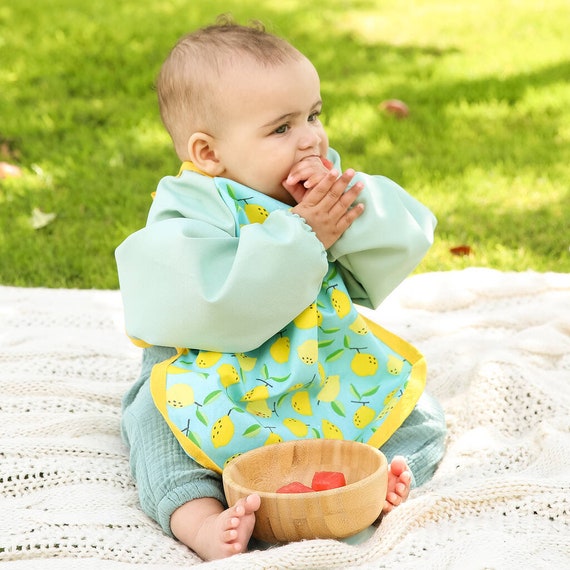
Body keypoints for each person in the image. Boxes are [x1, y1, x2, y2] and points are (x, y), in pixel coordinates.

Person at [115, 16, 446, 561]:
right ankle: (201, 521)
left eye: (314, 115)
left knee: (421, 416)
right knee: (154, 426)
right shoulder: (189, 207)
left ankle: (366, 486)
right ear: (208, 154)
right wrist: (303, 235)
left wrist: (349, 220)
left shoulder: (321, 182)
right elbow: (207, 298)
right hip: (214, 376)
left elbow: (406, 234)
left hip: (317, 362)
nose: (312, 137)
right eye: (282, 128)